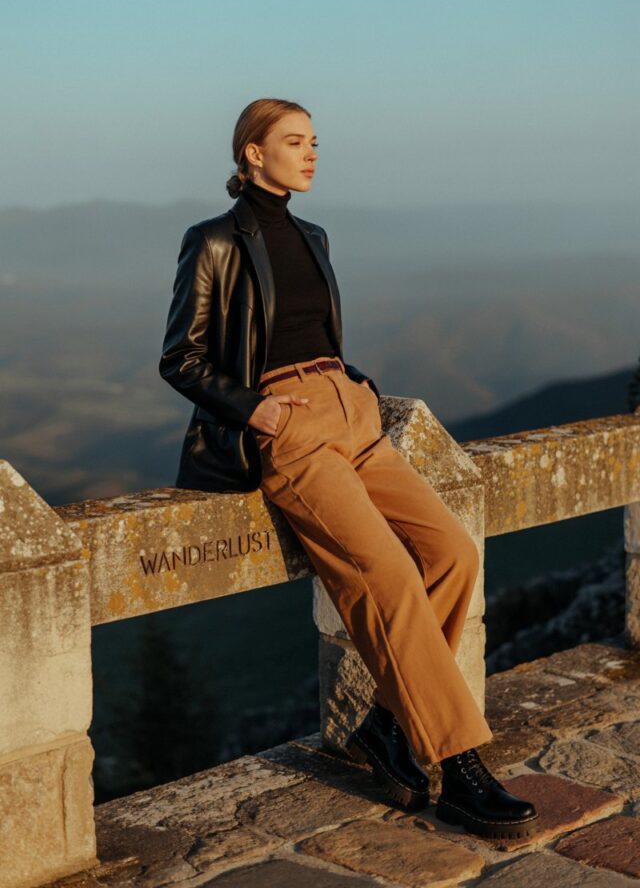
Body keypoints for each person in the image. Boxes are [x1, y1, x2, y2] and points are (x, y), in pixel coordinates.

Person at [159, 97, 539, 840]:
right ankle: (459, 769)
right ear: (253, 154)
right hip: (291, 428)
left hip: (355, 416)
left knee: (452, 553)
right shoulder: (212, 241)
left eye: (315, 142)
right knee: (387, 575)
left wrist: (354, 384)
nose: (311, 153)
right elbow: (182, 357)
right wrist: (257, 410)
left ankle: (384, 725)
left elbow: (313, 332)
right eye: (294, 141)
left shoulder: (314, 235)